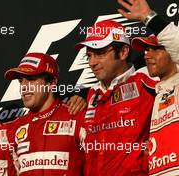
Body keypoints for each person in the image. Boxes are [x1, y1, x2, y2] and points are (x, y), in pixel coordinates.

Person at [75, 19, 156, 175]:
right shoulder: (90, 95)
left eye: (99, 54)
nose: (92, 62)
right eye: (89, 56)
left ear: (124, 52)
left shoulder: (147, 80)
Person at [118, 0, 179, 174]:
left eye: (155, 49)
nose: (147, 55)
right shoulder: (156, 92)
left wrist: (149, 18)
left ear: (172, 52)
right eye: (145, 50)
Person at [4, 52, 85, 176]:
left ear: (52, 82)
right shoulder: (13, 128)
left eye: (31, 79)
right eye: (21, 81)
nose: (24, 87)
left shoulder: (75, 115)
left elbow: (97, 165)